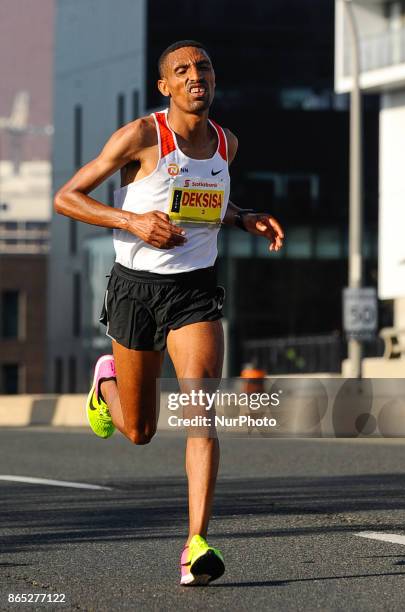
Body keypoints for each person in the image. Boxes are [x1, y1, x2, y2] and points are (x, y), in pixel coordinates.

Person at [54, 39, 284, 586]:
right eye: (181, 70)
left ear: (212, 78)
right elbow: (67, 197)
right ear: (166, 86)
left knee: (201, 409)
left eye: (202, 66)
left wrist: (244, 216)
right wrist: (131, 222)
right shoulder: (141, 136)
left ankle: (196, 543)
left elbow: (203, 196)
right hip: (135, 290)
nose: (194, 75)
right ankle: (105, 386)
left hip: (195, 293)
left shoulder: (226, 144)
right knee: (138, 430)